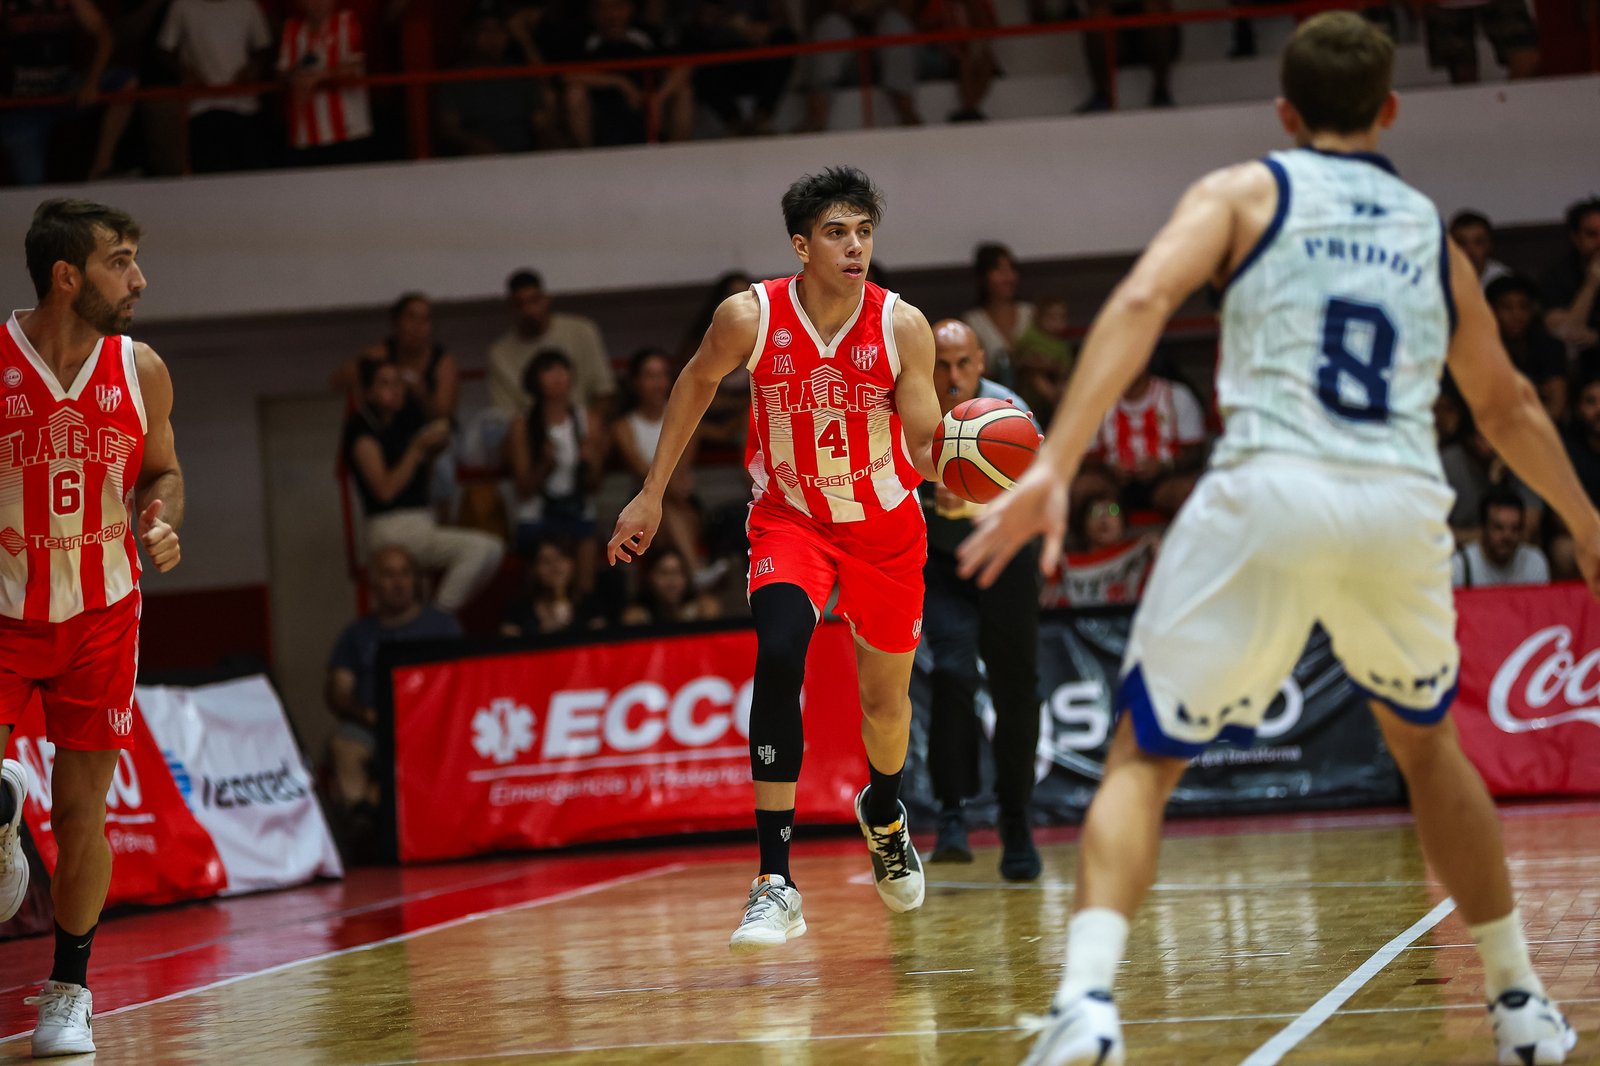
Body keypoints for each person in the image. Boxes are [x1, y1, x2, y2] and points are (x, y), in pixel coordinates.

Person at [958, 15, 1588, 1065]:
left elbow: (1145, 298)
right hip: (1397, 503)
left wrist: (1054, 464)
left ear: (1284, 114)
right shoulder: (1429, 233)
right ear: (1389, 110)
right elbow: (1508, 404)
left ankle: (1088, 1007)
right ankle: (1519, 999)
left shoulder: (1244, 191)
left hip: (1268, 487)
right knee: (1429, 746)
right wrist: (1587, 519)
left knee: (1143, 756)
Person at [607, 166, 942, 953]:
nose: (854, 246)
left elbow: (925, 437)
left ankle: (884, 809)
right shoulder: (749, 315)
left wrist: (964, 467)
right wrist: (652, 494)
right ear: (801, 245)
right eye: (836, 233)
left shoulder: (904, 326)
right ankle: (774, 882)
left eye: (863, 231)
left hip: (886, 527)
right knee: (781, 654)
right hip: (791, 518)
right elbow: (693, 387)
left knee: (884, 705)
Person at [0, 199, 184, 1057]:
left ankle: (68, 992)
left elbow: (166, 470)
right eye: (120, 261)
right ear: (66, 276)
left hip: (103, 614)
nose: (138, 279)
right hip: (2, 609)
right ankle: (3, 828)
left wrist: (160, 516)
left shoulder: (140, 367)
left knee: (83, 816)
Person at [920, 320, 1042, 880]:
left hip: (1005, 558)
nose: (952, 375)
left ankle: (1016, 819)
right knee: (950, 674)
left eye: (963, 363)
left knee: (1017, 690)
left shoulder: (1010, 414)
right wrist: (930, 494)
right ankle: (951, 814)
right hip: (943, 564)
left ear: (981, 363)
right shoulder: (910, 412)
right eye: (942, 365)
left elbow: (1038, 493)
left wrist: (972, 498)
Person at [343, 360, 504, 614]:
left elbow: (416, 479)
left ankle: (431, 618)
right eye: (385, 384)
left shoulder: (404, 420)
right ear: (368, 392)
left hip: (420, 518)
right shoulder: (361, 430)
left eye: (398, 383)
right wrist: (417, 448)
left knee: (489, 552)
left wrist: (430, 454)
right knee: (482, 548)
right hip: (391, 525)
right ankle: (436, 619)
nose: (395, 390)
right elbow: (385, 490)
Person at [324, 545, 460, 841]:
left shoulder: (442, 626)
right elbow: (338, 692)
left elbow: (461, 683)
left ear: (416, 580)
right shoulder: (357, 635)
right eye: (388, 575)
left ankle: (384, 803)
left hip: (432, 726)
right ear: (373, 584)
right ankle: (364, 820)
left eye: (405, 574)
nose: (398, 583)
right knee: (344, 744)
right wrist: (366, 714)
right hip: (374, 726)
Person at [278, 0, 376, 167]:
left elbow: (354, 64)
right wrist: (295, 77)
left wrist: (316, 78)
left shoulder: (345, 22)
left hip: (348, 130)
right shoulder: (292, 29)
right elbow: (282, 71)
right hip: (305, 133)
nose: (318, 3)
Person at [962, 242, 1033, 388]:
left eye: (1011, 269)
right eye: (1000, 271)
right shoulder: (973, 320)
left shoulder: (1030, 313)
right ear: (984, 277)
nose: (1008, 278)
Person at [1452, 490, 1550, 588]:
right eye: (1498, 528)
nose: (1507, 536)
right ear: (1483, 529)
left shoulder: (1534, 562)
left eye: (1515, 528)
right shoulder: (1460, 566)